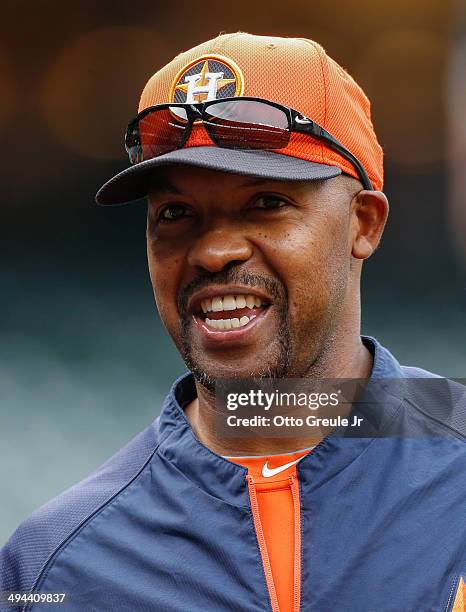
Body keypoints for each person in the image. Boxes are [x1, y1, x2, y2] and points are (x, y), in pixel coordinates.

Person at [1, 32, 466, 612]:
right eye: (176, 214)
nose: (212, 251)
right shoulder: (56, 565)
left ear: (363, 223)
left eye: (266, 202)